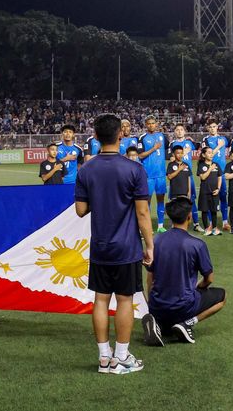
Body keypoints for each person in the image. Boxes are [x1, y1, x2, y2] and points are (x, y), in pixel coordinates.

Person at [74, 113, 154, 375]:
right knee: (124, 300)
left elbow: (80, 210)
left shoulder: (86, 169)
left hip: (100, 246)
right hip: (127, 247)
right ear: (121, 134)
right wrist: (150, 245)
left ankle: (104, 358)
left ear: (95, 136)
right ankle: (121, 357)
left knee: (100, 300)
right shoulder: (134, 169)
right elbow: (143, 214)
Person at [142, 197, 226, 346]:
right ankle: (187, 323)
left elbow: (150, 277)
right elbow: (209, 279)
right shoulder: (197, 244)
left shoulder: (156, 241)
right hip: (183, 306)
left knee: (165, 314)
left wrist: (152, 305)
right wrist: (198, 288)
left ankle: (159, 323)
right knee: (222, 296)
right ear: (189, 217)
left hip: (157, 305)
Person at [138, 115, 169, 233]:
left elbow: (168, 149)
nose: (151, 125)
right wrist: (154, 148)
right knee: (147, 201)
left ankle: (160, 225)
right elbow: (140, 155)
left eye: (153, 123)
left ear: (156, 124)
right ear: (146, 125)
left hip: (161, 174)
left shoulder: (162, 136)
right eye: (149, 123)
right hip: (148, 175)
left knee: (161, 200)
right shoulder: (142, 138)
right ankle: (148, 225)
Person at [169, 124, 202, 232]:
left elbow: (198, 146)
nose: (179, 131)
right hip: (176, 177)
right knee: (175, 200)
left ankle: (196, 224)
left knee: (191, 200)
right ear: (174, 132)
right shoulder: (172, 144)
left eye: (181, 129)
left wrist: (192, 140)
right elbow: (172, 158)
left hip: (188, 175)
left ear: (185, 131)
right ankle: (175, 224)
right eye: (177, 130)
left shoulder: (189, 143)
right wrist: (184, 153)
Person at [201, 119, 230, 230]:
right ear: (208, 128)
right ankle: (211, 224)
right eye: (210, 127)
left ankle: (225, 222)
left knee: (223, 197)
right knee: (210, 199)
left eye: (214, 126)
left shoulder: (223, 139)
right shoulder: (206, 139)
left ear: (217, 127)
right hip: (210, 173)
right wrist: (219, 146)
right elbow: (208, 154)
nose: (212, 128)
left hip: (221, 173)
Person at [197, 146, 222, 236]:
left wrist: (218, 189)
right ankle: (207, 228)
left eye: (212, 152)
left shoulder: (216, 164)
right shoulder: (201, 165)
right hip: (204, 191)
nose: (211, 154)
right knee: (205, 210)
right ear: (203, 155)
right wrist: (210, 169)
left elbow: (219, 177)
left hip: (215, 191)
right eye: (208, 152)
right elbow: (203, 177)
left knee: (214, 211)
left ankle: (214, 228)